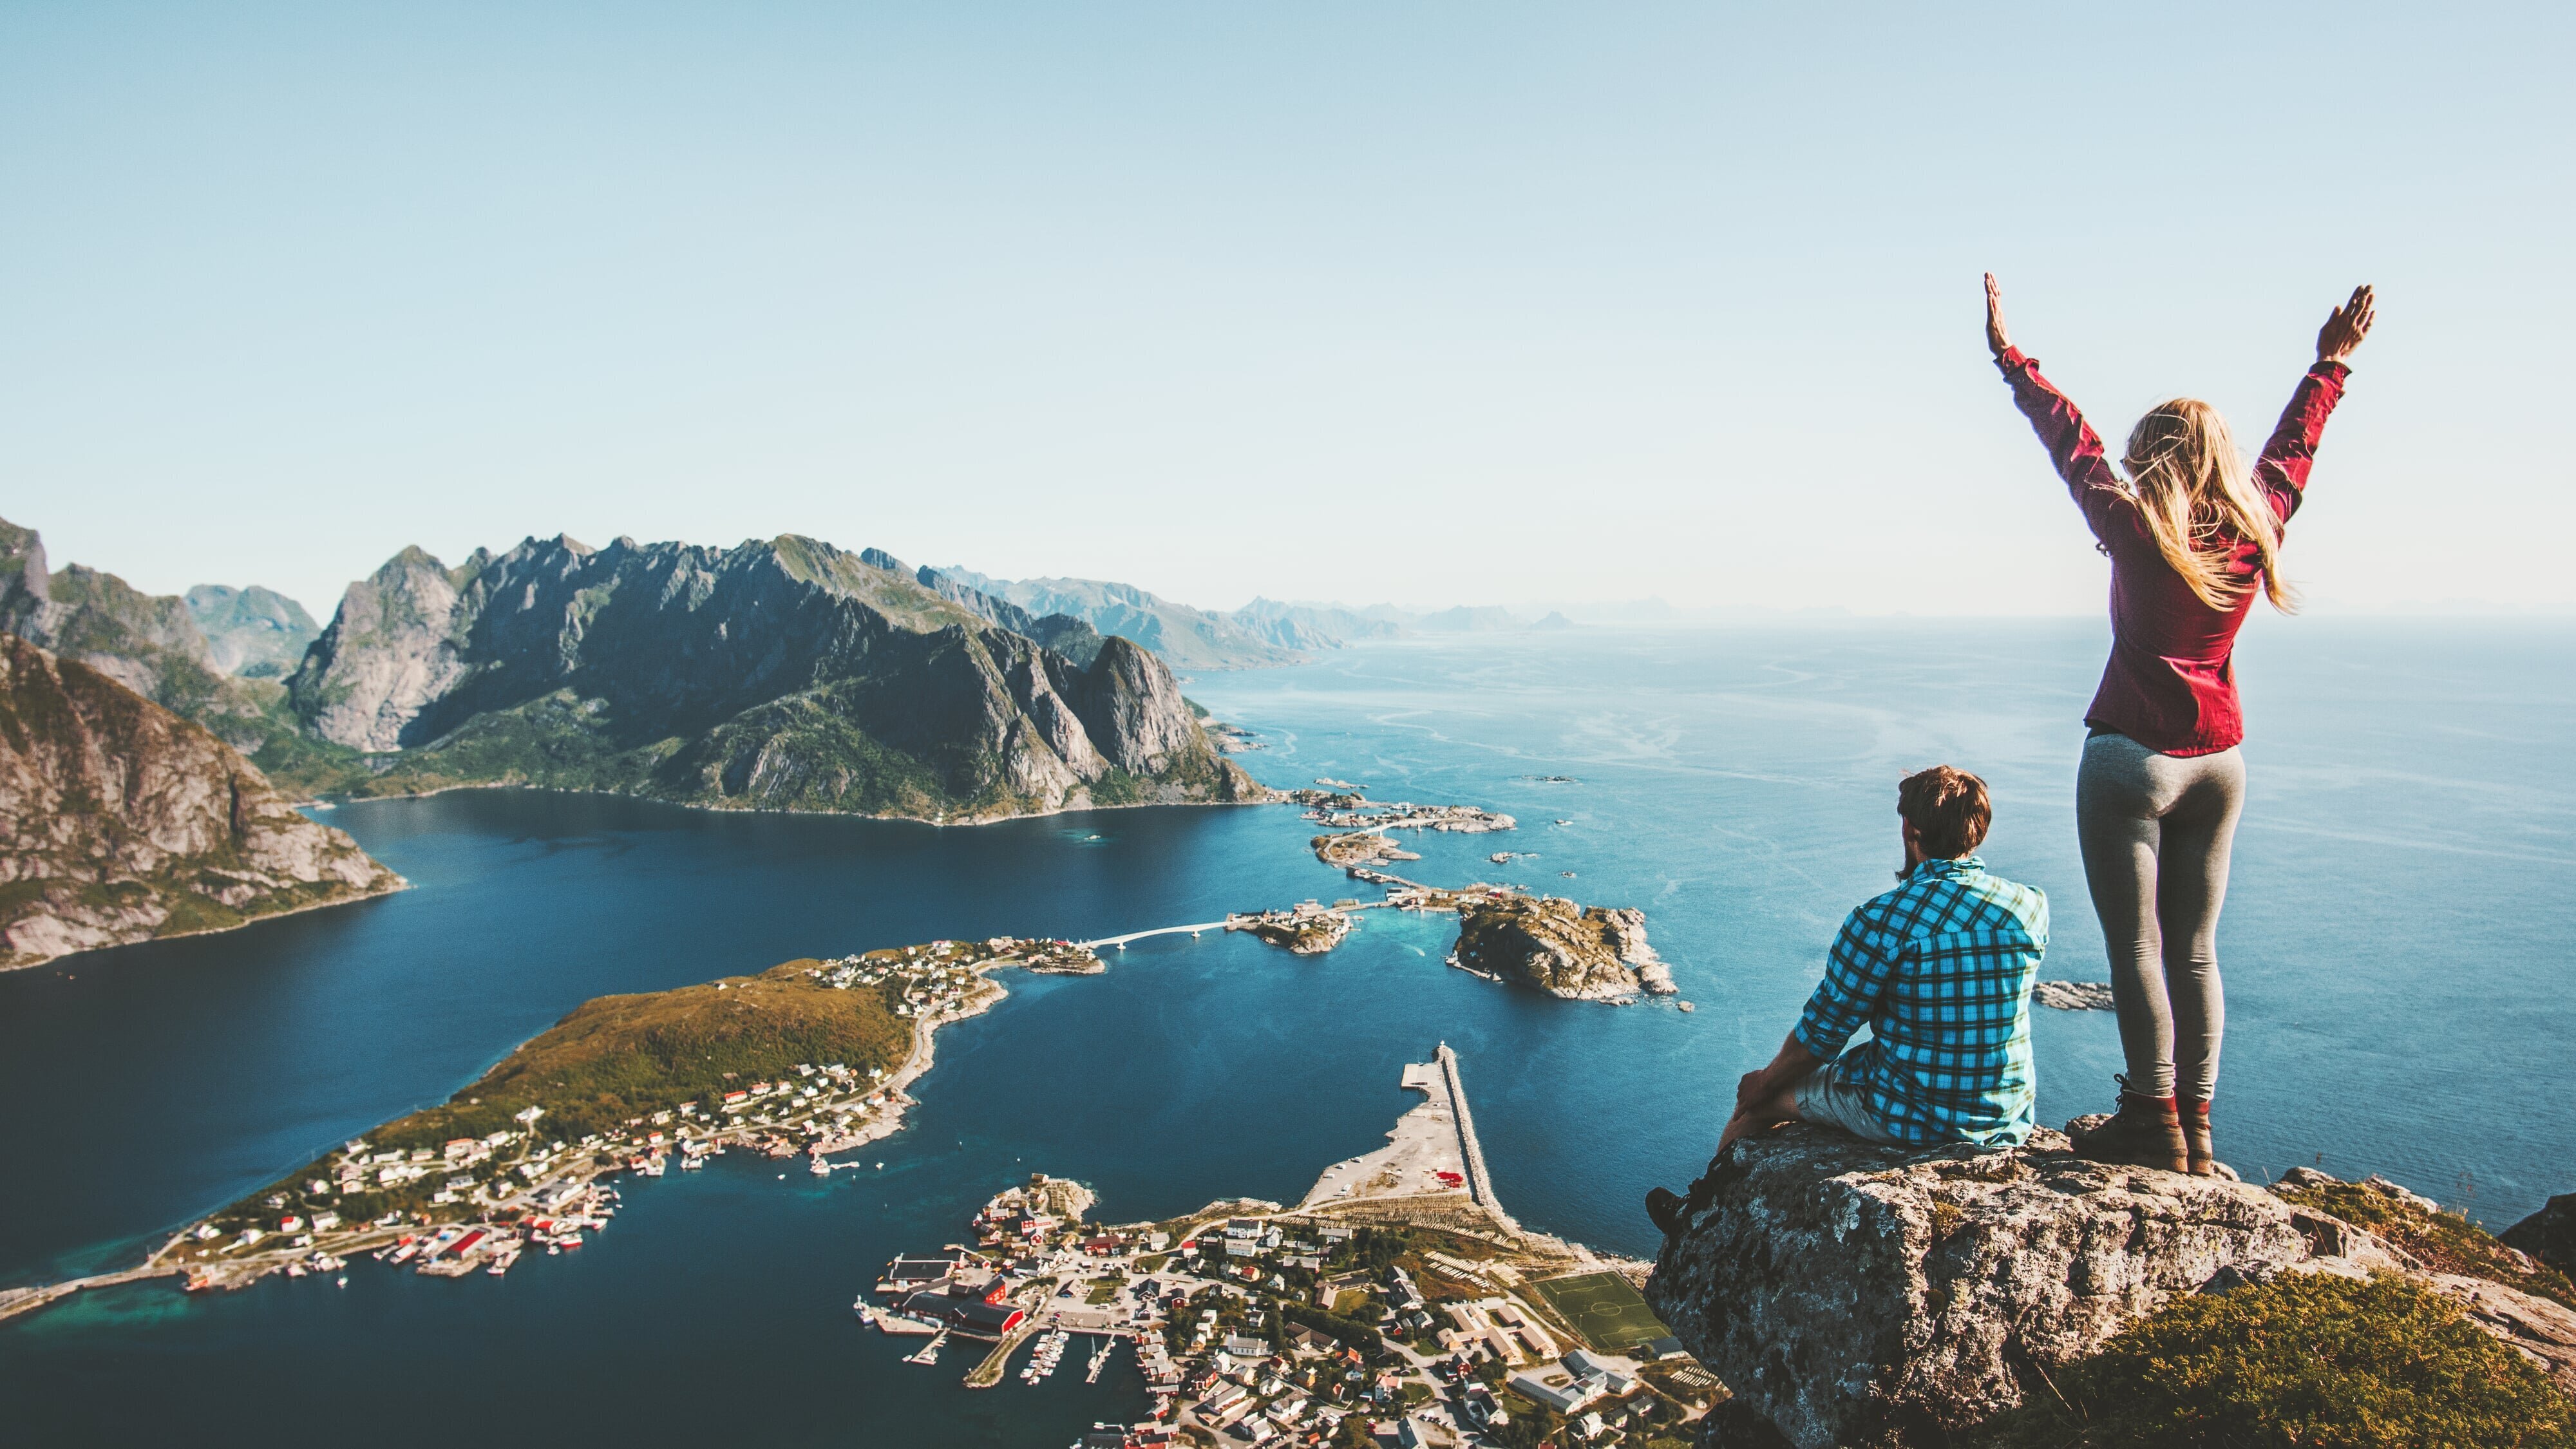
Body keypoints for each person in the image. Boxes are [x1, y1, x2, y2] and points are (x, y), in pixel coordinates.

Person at [1984, 274, 2374, 1175]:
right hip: (2221, 761)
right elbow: (2295, 450)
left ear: (2151, 456)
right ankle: (2196, 1128)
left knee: (2137, 949)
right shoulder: (2258, 526)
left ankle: (2150, 1119)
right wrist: (2331, 361)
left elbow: (2067, 436)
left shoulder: (2129, 522)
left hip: (2130, 758)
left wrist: (2010, 355)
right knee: (2196, 952)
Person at [1647, 766, 2047, 1236]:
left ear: (1911, 830)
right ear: (1979, 830)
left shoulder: (1880, 920)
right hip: (2003, 1114)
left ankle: (1697, 1220)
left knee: (1757, 1108)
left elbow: (1823, 1034)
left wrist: (1763, 1083)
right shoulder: (2029, 906)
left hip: (1911, 1111)